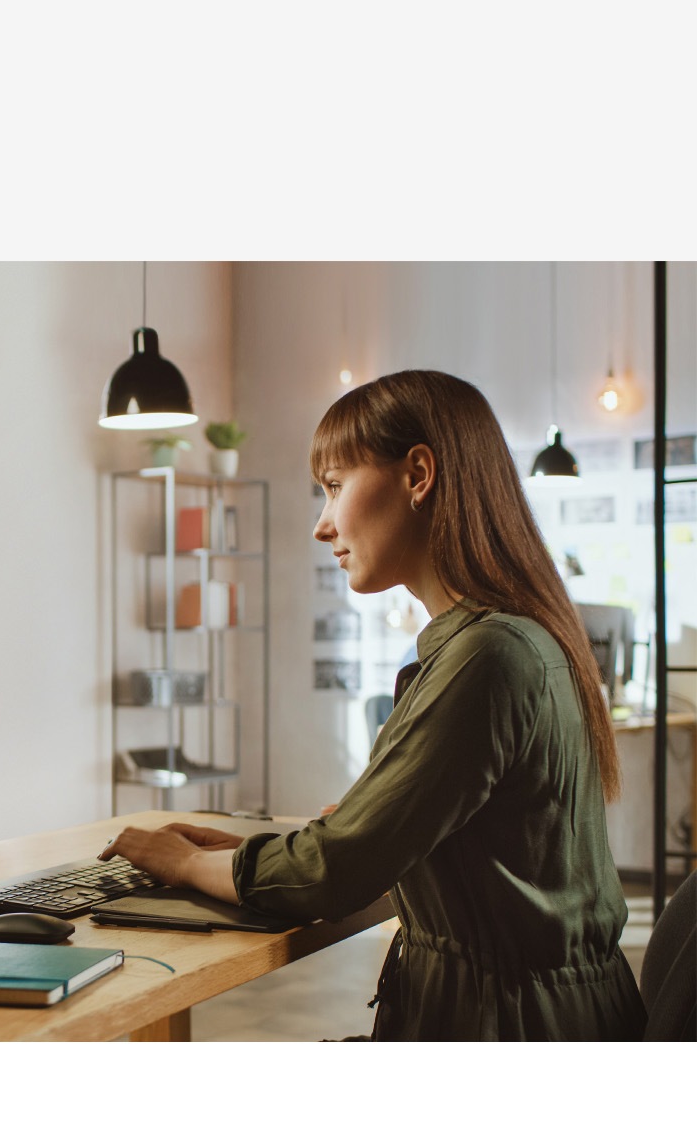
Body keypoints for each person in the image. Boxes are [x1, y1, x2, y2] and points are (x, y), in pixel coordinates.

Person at [100, 369, 646, 1041]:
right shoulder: (511, 639)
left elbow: (335, 872)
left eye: (333, 487)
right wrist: (261, 853)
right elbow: (380, 843)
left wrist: (184, 864)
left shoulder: (488, 657)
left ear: (419, 474)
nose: (321, 525)